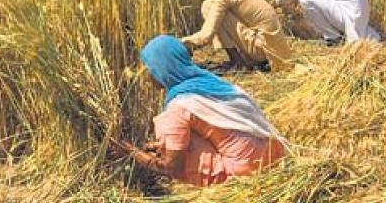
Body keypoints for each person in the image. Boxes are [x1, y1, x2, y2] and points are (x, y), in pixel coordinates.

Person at [109, 35, 286, 187]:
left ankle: (217, 180)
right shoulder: (211, 84)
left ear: (162, 69)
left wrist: (133, 153)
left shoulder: (180, 106)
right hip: (271, 154)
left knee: (171, 134)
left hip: (245, 172)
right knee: (178, 136)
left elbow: (171, 168)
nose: (147, 75)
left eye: (150, 68)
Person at [181, 0, 293, 72]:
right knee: (212, 6)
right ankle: (241, 60)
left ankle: (238, 62)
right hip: (274, 49)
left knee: (208, 6)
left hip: (266, 51)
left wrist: (180, 44)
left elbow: (206, 36)